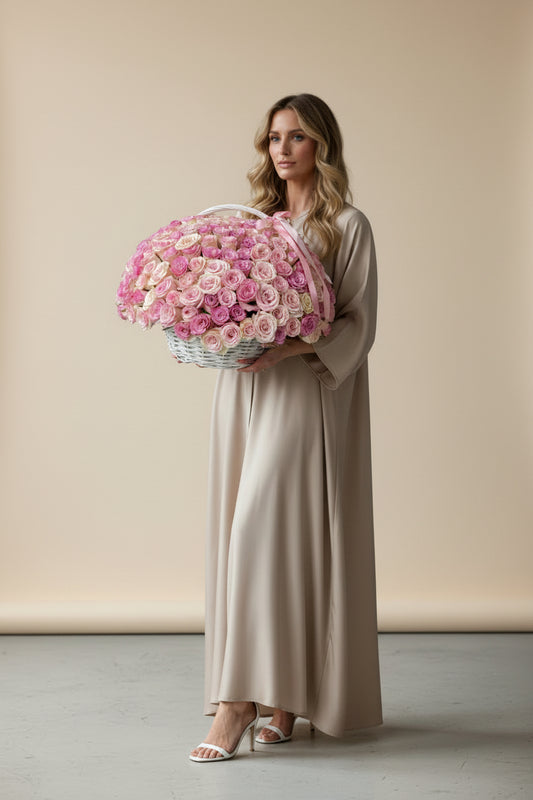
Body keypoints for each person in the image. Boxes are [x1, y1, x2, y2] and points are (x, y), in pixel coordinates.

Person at [189, 93, 382, 762]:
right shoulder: (255, 226)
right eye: (274, 136)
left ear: (319, 146)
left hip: (304, 394)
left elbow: (358, 322)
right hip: (242, 392)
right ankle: (282, 701)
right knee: (257, 538)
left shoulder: (347, 226)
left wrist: (293, 347)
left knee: (265, 532)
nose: (282, 147)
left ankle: (238, 704)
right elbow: (228, 303)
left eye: (297, 136)